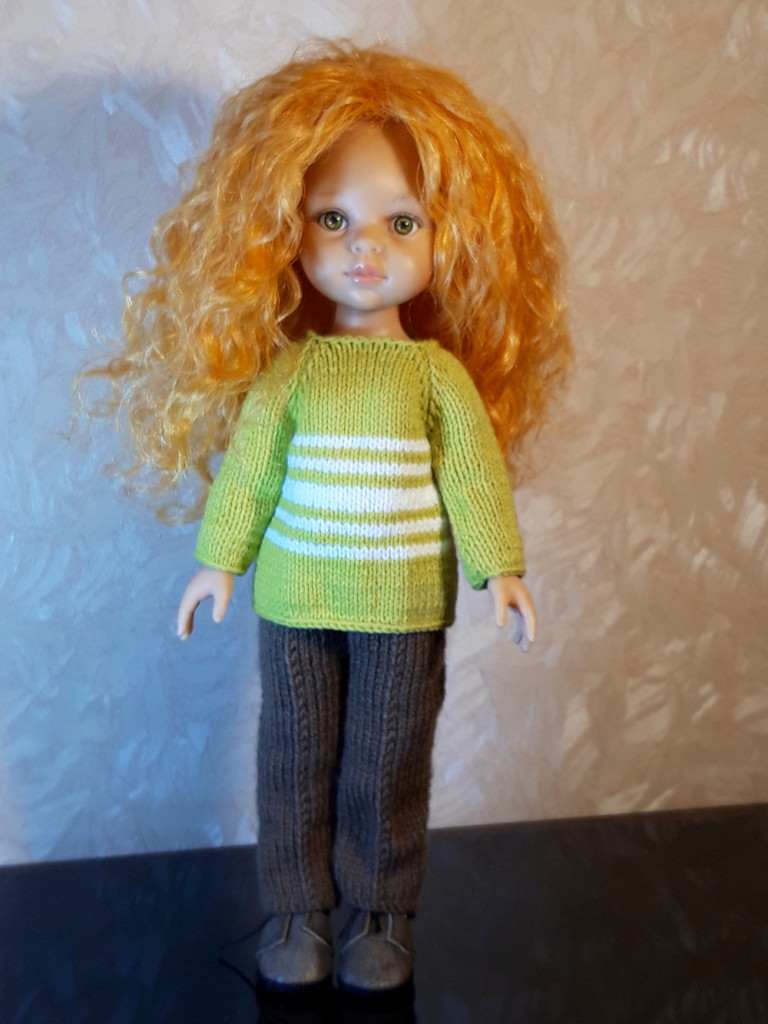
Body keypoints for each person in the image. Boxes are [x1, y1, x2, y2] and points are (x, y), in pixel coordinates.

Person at [80, 43, 570, 995]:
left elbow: (472, 477)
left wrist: (499, 568)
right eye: (333, 218)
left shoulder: (436, 377)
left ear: (452, 239)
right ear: (284, 229)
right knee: (293, 758)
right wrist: (219, 561)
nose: (364, 246)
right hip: (297, 599)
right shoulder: (292, 372)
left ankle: (381, 914)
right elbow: (251, 475)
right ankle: (296, 911)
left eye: (401, 222)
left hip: (403, 607)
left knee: (387, 763)